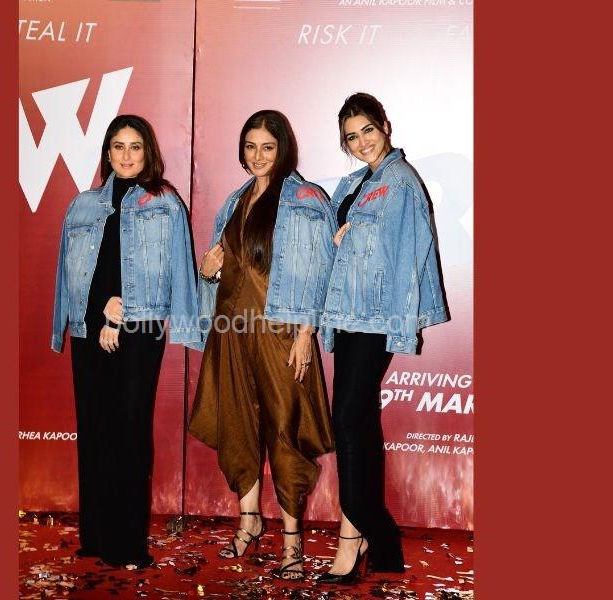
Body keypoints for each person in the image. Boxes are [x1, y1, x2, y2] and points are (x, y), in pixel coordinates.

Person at [188, 110, 336, 581]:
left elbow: (321, 269)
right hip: (231, 331)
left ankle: (292, 541)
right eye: (250, 146)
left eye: (267, 147)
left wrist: (306, 333)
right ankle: (249, 520)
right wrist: (208, 271)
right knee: (237, 426)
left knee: (285, 432)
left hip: (280, 334)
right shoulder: (235, 200)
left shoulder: (305, 198)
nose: (257, 156)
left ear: (283, 149)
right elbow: (225, 269)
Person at [51, 114, 200, 570]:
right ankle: (96, 536)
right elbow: (69, 272)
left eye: (136, 146)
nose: (127, 155)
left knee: (130, 433)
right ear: (107, 152)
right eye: (118, 146)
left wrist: (129, 309)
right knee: (95, 430)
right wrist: (74, 322)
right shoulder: (83, 205)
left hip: (138, 329)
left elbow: (179, 267)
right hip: (88, 330)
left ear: (148, 152)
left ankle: (127, 542)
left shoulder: (165, 202)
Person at [317, 93, 449, 584]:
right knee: (355, 425)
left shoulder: (401, 183)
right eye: (351, 137)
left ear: (385, 126)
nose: (361, 142)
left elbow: (409, 258)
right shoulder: (356, 183)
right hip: (347, 316)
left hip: (374, 319)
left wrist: (400, 327)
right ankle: (376, 542)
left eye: (367, 131)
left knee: (349, 421)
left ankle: (362, 532)